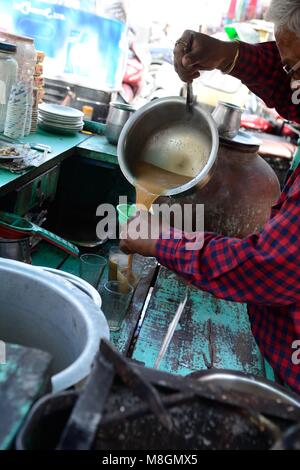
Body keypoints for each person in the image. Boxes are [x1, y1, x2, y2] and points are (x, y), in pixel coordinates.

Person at [120, 0, 300, 394]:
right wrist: (230, 55)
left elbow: (268, 267)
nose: (293, 84)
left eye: (295, 68)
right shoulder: (296, 78)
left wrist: (162, 241)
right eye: (288, 68)